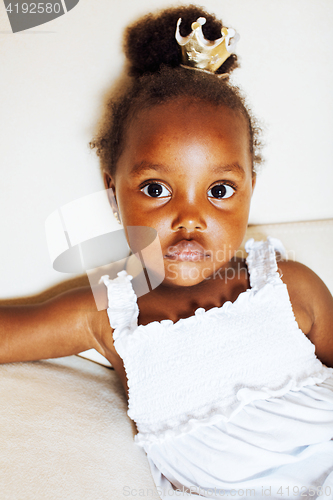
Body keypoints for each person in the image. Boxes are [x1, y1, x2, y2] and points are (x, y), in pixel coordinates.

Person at [1, 5, 333, 499]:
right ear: (113, 193)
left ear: (251, 190)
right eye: (157, 189)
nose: (190, 218)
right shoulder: (109, 313)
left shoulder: (288, 286)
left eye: (219, 191)